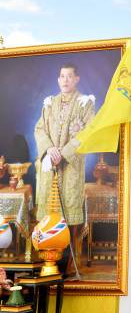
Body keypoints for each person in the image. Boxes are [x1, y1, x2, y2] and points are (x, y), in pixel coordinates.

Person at [34, 64, 95, 273]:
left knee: (69, 215)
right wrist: (50, 149)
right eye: (62, 76)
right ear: (58, 79)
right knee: (49, 214)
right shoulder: (49, 103)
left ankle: (65, 267)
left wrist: (65, 152)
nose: (65, 80)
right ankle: (47, 263)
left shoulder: (84, 103)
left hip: (70, 168)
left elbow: (88, 132)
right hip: (50, 165)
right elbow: (40, 129)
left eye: (69, 76)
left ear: (76, 79)